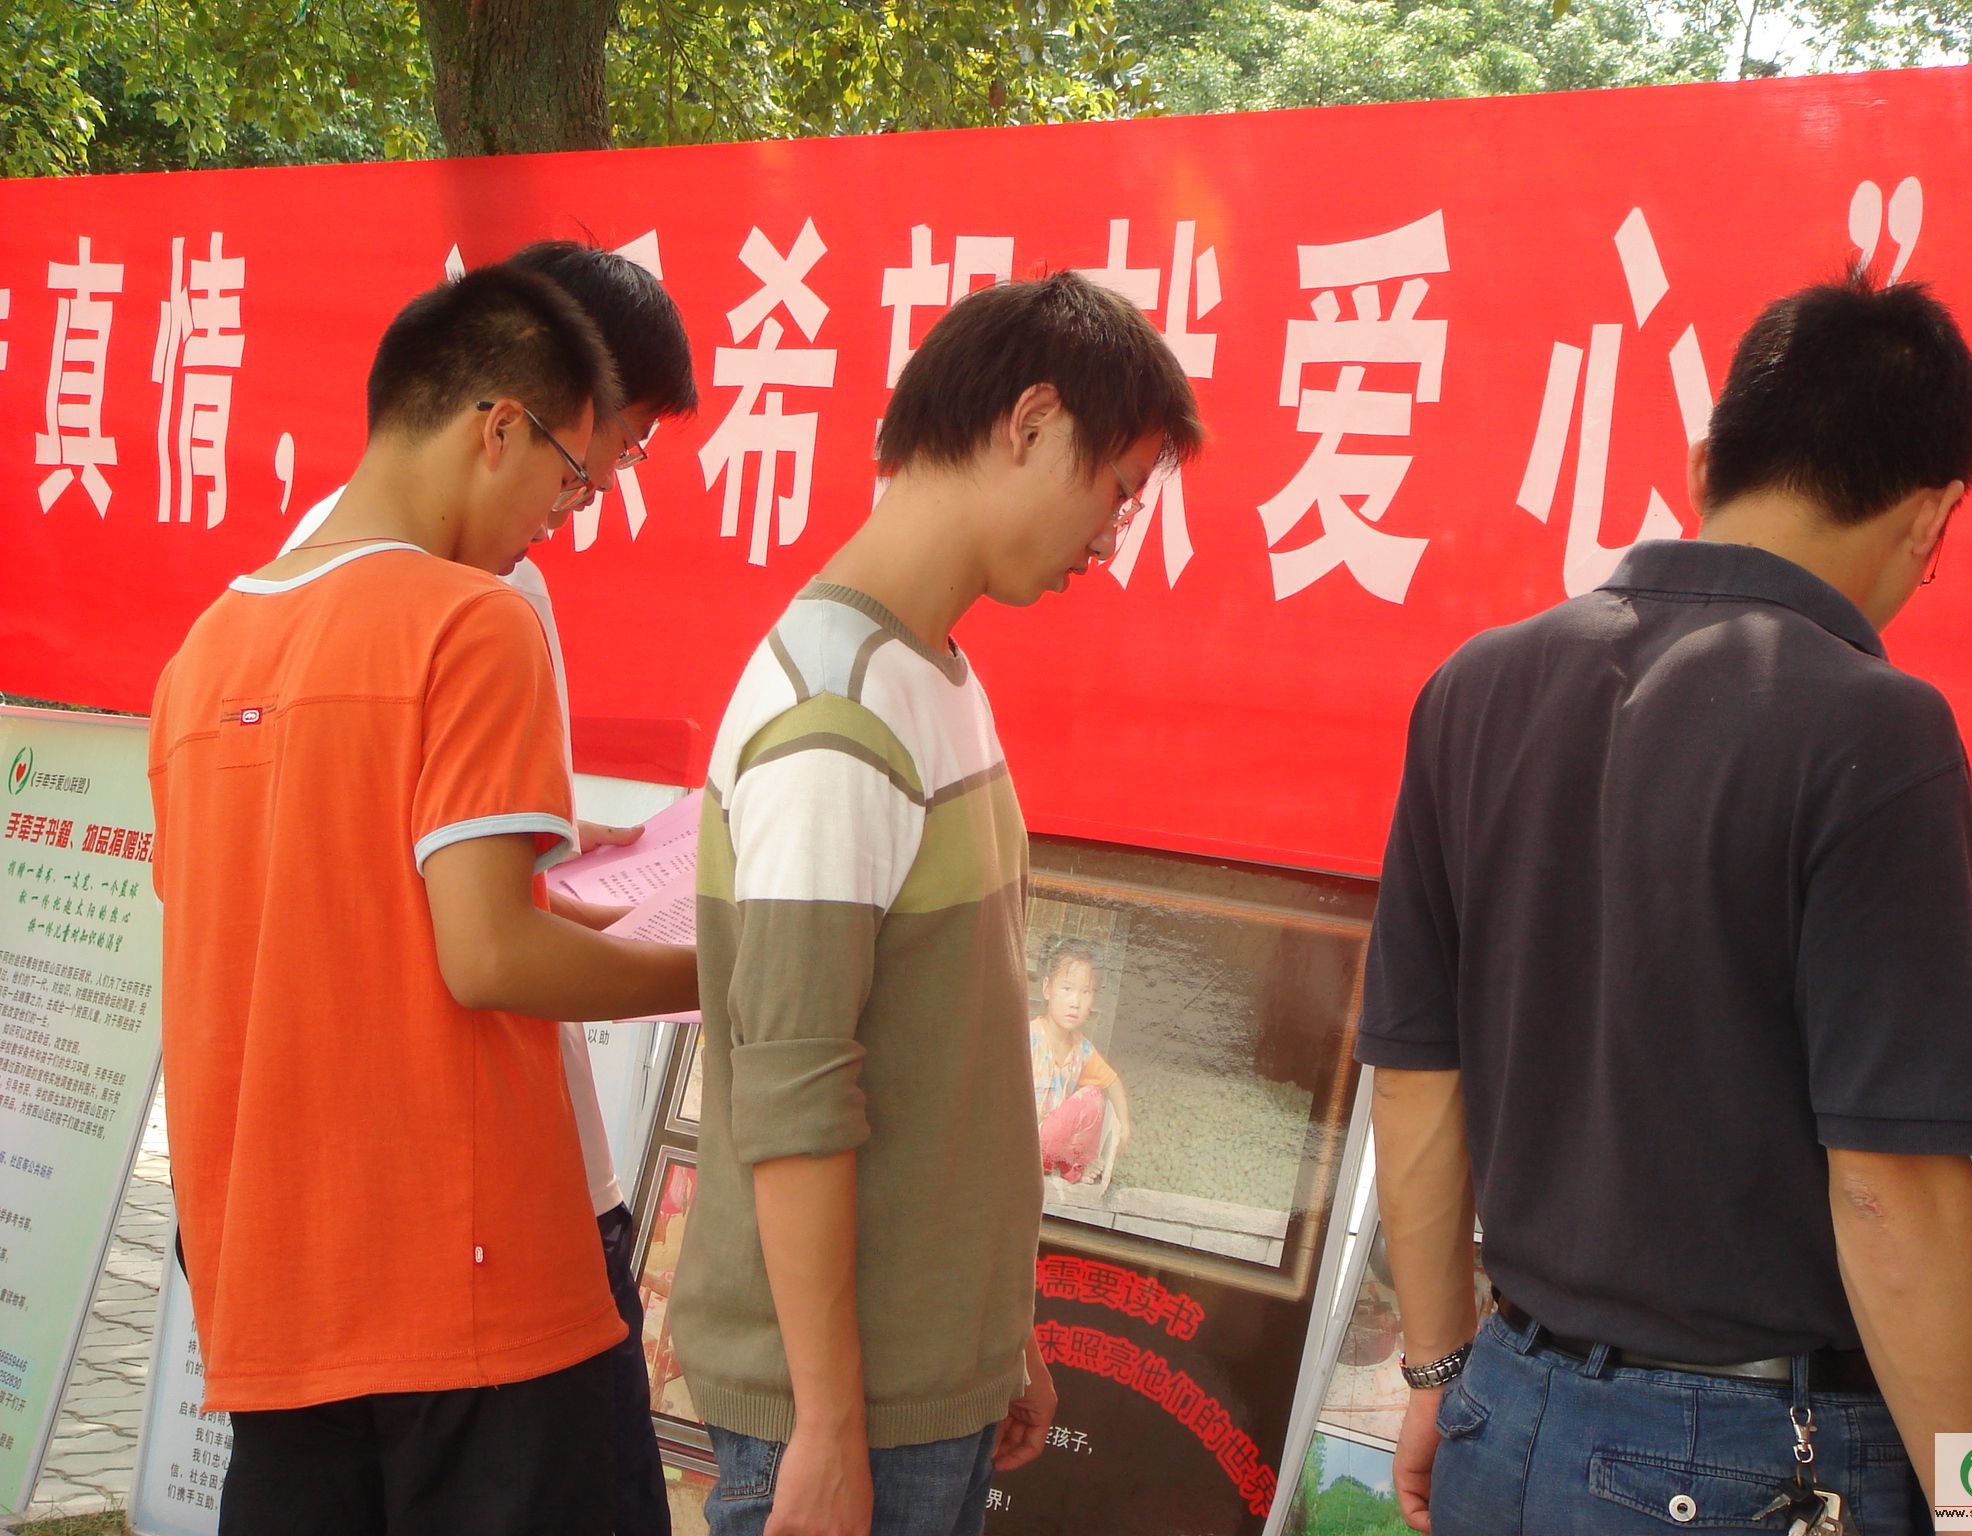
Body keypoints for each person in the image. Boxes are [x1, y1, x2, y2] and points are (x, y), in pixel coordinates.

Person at [1357, 266, 1972, 1535]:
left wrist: (1437, 1373)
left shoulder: (1473, 687)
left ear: (1707, 460)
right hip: (1753, 1463)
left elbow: (1415, 1080)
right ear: (1930, 516)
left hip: (1505, 1408)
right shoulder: (1875, 728)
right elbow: (1891, 1188)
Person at [149, 263, 700, 1536]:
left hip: (277, 1280)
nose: (562, 515)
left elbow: (317, 923)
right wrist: (724, 965)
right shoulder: (474, 619)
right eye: (570, 476)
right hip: (474, 1278)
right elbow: (488, 955)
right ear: (498, 427)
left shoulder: (203, 650)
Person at [673, 271, 1203, 1536]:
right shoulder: (837, 715)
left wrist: (1003, 1329)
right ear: (1030, 422)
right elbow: (795, 1094)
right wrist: (827, 1427)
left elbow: (952, 1049)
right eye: (1117, 490)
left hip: (927, 1372)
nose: (1110, 539)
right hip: (853, 1403)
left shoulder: (931, 674)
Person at [1028, 939, 1135, 1183]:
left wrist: (1125, 1127)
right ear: (1047, 989)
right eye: (1067, 989)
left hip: (1051, 1145)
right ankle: (1070, 1164)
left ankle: (1072, 1165)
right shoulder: (1029, 1037)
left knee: (1093, 1096)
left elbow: (1113, 1083)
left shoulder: (1082, 1050)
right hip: (1022, 1143)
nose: (1075, 1002)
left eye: (1085, 992)